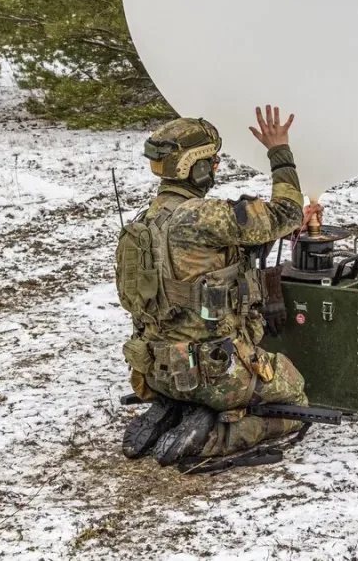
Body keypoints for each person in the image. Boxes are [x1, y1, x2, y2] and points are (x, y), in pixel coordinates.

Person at [116, 105, 320, 471]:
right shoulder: (203, 215)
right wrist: (279, 151)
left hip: (155, 370)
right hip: (214, 372)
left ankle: (175, 407)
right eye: (211, 161)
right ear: (194, 167)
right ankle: (215, 435)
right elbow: (287, 212)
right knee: (296, 398)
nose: (216, 168)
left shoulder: (143, 224)